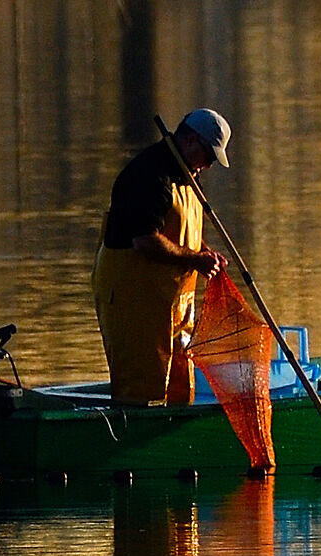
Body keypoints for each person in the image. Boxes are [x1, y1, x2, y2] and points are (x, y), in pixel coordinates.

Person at [92, 108, 232, 406]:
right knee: (142, 390)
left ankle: (177, 443)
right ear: (191, 140)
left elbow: (177, 227)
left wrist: (203, 250)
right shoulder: (149, 175)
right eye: (208, 156)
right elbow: (145, 240)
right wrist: (196, 261)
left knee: (181, 386)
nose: (207, 166)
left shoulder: (188, 174)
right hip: (135, 300)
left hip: (173, 303)